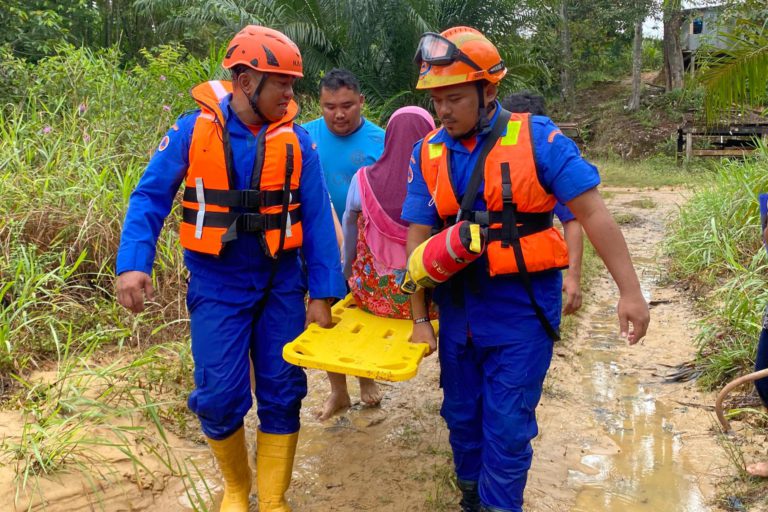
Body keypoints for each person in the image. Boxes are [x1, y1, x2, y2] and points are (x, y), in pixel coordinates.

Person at [404, 27, 650, 512]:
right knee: (461, 419)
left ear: (488, 90)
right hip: (458, 316)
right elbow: (417, 235)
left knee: (508, 427)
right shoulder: (428, 152)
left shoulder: (539, 140)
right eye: (436, 101)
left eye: (454, 98)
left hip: (522, 315)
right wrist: (417, 317)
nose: (443, 111)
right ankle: (471, 499)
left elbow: (593, 212)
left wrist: (631, 292)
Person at [115, 25, 345, 512]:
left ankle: (275, 498)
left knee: (284, 389)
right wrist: (133, 263)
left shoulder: (299, 142)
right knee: (219, 395)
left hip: (282, 279)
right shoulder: (190, 130)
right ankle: (237, 489)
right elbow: (149, 197)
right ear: (245, 82)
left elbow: (320, 220)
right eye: (281, 82)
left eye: (292, 83)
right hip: (217, 282)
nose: (290, 93)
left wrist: (323, 293)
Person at [314, 106, 436, 421]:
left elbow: (349, 229)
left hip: (373, 297)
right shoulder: (441, 181)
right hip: (425, 305)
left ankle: (338, 391)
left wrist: (347, 275)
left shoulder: (364, 179)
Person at [501, 92, 584, 315]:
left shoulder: (545, 157)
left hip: (535, 277)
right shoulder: (485, 156)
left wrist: (573, 277)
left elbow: (572, 219)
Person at [302, 69, 385, 219]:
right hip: (317, 237)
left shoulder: (382, 141)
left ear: (361, 101)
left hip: (364, 239)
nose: (339, 114)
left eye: (347, 106)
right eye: (330, 107)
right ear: (320, 103)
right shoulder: (304, 137)